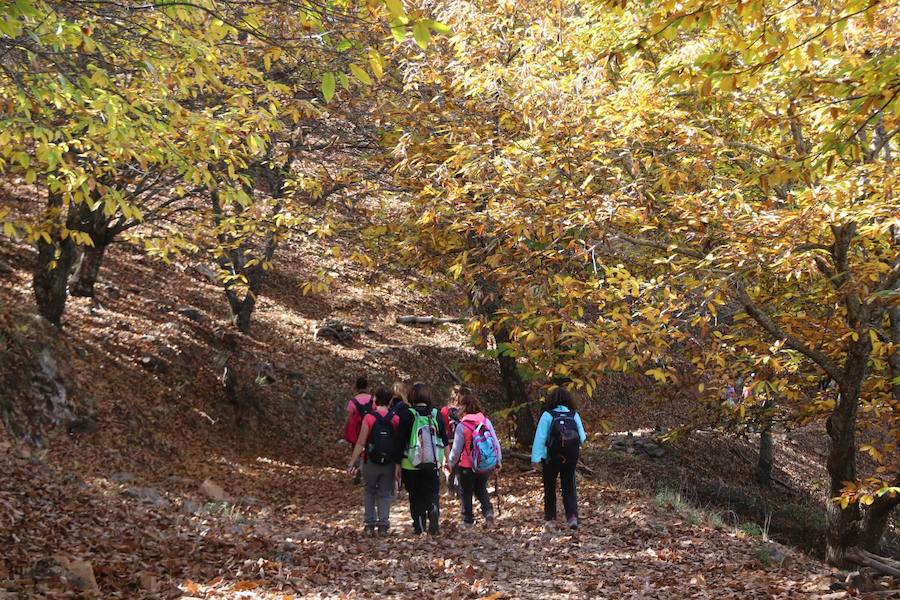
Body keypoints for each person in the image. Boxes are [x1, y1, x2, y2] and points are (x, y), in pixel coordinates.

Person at [531, 387, 586, 531]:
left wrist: (536, 459)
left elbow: (540, 438)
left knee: (549, 488)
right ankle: (572, 517)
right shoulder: (574, 415)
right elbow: (583, 437)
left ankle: (550, 519)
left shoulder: (547, 415)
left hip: (551, 458)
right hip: (570, 458)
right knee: (569, 487)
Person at [397, 382, 448, 534]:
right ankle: (433, 507)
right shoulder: (436, 413)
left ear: (412, 396)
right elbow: (444, 439)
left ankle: (419, 527)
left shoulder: (406, 414)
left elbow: (400, 442)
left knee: (415, 495)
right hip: (432, 461)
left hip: (410, 463)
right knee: (432, 491)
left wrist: (397, 465)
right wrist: (448, 460)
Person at [347, 386, 399, 536]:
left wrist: (352, 462)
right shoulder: (395, 419)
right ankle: (383, 525)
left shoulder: (369, 418)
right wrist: (398, 464)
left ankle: (369, 524)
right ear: (390, 402)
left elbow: (361, 442)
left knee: (369, 491)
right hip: (388, 462)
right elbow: (397, 442)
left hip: (370, 461)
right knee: (384, 493)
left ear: (375, 400)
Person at [448, 390, 501, 526]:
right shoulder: (485, 421)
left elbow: (456, 449)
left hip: (467, 466)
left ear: (463, 408)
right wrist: (498, 461)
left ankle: (468, 520)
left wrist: (450, 463)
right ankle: (488, 511)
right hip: (485, 464)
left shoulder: (462, 426)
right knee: (481, 487)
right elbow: (495, 442)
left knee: (465, 492)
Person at [440, 385, 464, 496]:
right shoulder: (464, 410)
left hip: (448, 441)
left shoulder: (444, 410)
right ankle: (460, 489)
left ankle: (450, 488)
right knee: (460, 465)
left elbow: (442, 427)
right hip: (462, 441)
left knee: (449, 465)